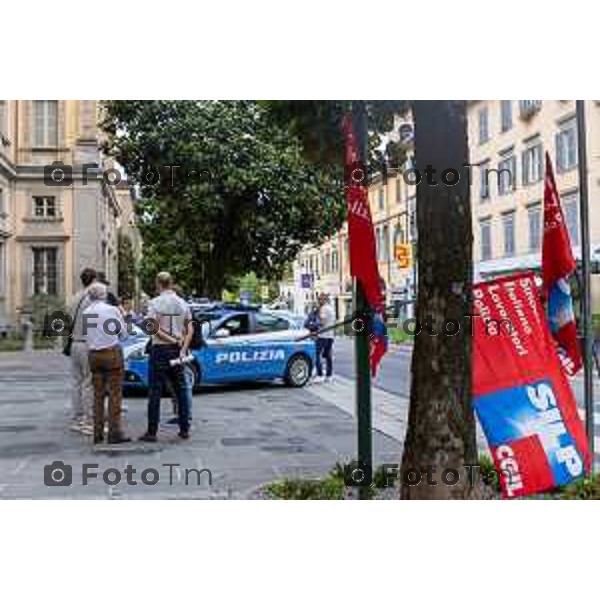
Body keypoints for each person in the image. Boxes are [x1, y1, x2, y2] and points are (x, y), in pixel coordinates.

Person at [139, 272, 193, 442]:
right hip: (177, 350)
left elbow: (151, 327)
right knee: (181, 389)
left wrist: (171, 339)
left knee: (155, 390)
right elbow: (189, 329)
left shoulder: (154, 303)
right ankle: (184, 429)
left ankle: (152, 432)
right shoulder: (183, 303)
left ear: (158, 283)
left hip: (160, 350)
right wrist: (182, 347)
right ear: (171, 283)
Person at [82, 283, 131, 444]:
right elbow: (123, 335)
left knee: (98, 395)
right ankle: (114, 432)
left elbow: (86, 335)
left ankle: (97, 433)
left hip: (94, 355)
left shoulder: (87, 312)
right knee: (115, 394)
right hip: (111, 353)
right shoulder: (112, 311)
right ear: (104, 295)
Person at [68, 267, 97, 435]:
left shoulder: (73, 298)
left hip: (74, 343)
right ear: (93, 281)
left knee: (77, 382)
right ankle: (88, 420)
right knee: (89, 383)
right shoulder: (91, 299)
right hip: (87, 343)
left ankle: (77, 418)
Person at [316, 293, 335, 382]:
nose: (318, 301)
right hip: (330, 335)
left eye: (319, 300)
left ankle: (319, 375)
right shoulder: (331, 308)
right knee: (328, 356)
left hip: (322, 335)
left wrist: (315, 324)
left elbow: (322, 322)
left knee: (316, 354)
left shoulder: (323, 309)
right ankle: (329, 375)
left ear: (323, 300)